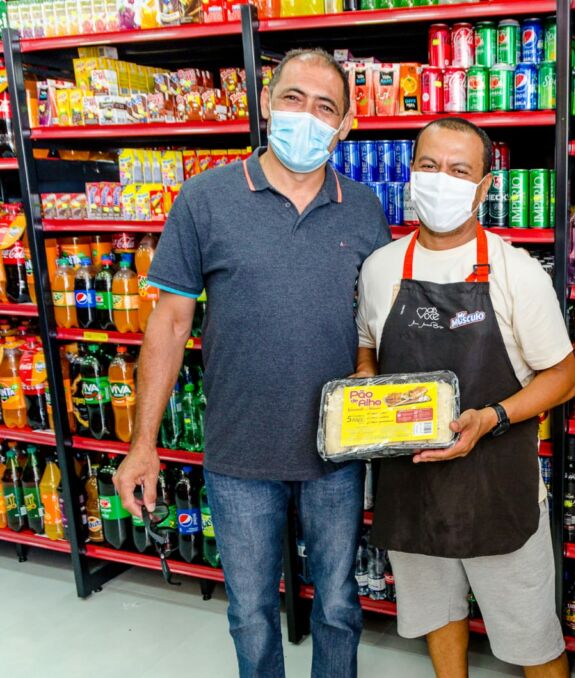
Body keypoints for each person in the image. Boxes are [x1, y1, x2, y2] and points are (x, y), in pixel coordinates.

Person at [113, 48, 391, 678]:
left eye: (327, 107)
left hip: (336, 454)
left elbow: (378, 320)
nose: (308, 116)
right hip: (239, 451)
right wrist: (143, 444)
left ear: (346, 126)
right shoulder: (205, 198)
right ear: (265, 103)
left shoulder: (365, 208)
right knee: (251, 611)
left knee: (341, 604)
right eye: (293, 98)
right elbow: (169, 323)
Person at [354, 117, 575, 678]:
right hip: (412, 485)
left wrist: (493, 417)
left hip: (496, 488)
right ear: (410, 174)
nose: (440, 180)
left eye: (459, 171)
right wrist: (363, 388)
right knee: (436, 615)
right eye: (429, 166)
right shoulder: (382, 268)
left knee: (531, 637)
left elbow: (564, 377)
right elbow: (366, 344)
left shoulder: (516, 272)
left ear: (483, 189)